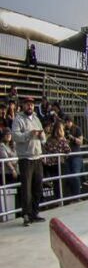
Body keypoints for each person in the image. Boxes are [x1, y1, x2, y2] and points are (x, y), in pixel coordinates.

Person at [12, 96, 45, 226]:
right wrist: (29, 134)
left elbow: (43, 137)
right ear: (23, 105)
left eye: (31, 104)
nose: (30, 106)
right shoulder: (18, 119)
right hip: (25, 158)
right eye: (27, 104)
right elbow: (15, 136)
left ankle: (35, 213)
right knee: (26, 189)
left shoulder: (36, 118)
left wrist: (41, 136)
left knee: (38, 187)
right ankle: (26, 215)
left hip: (37, 156)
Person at [43, 121, 70, 202]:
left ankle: (59, 200)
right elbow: (68, 150)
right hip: (57, 164)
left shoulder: (49, 139)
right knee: (59, 183)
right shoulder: (61, 140)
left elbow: (45, 149)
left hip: (52, 164)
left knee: (57, 183)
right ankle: (60, 200)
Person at [64, 116, 84, 200]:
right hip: (67, 156)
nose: (67, 124)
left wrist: (72, 138)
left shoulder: (77, 129)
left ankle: (77, 197)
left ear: (71, 122)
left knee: (75, 175)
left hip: (76, 155)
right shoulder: (64, 130)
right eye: (66, 122)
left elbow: (80, 142)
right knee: (69, 177)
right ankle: (72, 197)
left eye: (69, 122)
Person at [1, 129, 19, 220]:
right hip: (7, 173)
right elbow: (6, 160)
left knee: (17, 192)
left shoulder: (13, 145)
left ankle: (17, 212)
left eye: (10, 134)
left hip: (16, 171)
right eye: (6, 134)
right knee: (9, 192)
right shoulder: (1, 146)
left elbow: (18, 156)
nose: (8, 135)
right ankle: (9, 214)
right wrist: (13, 170)